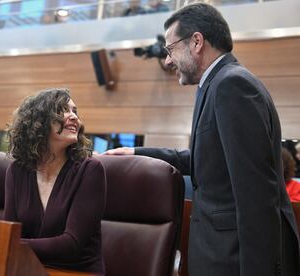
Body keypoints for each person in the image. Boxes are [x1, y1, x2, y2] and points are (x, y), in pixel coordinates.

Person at [105, 3, 300, 275]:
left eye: (170, 49)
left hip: (235, 260)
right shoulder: (216, 83)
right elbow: (208, 161)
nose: (168, 61)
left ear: (197, 41)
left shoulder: (232, 85)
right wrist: (137, 152)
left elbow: (256, 193)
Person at [0, 88, 106, 273]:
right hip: (30, 269)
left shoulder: (90, 170)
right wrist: (0, 236)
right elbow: (14, 231)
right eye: (63, 110)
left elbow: (72, 244)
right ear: (38, 121)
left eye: (75, 112)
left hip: (76, 271)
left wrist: (3, 239)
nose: (74, 117)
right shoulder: (17, 171)